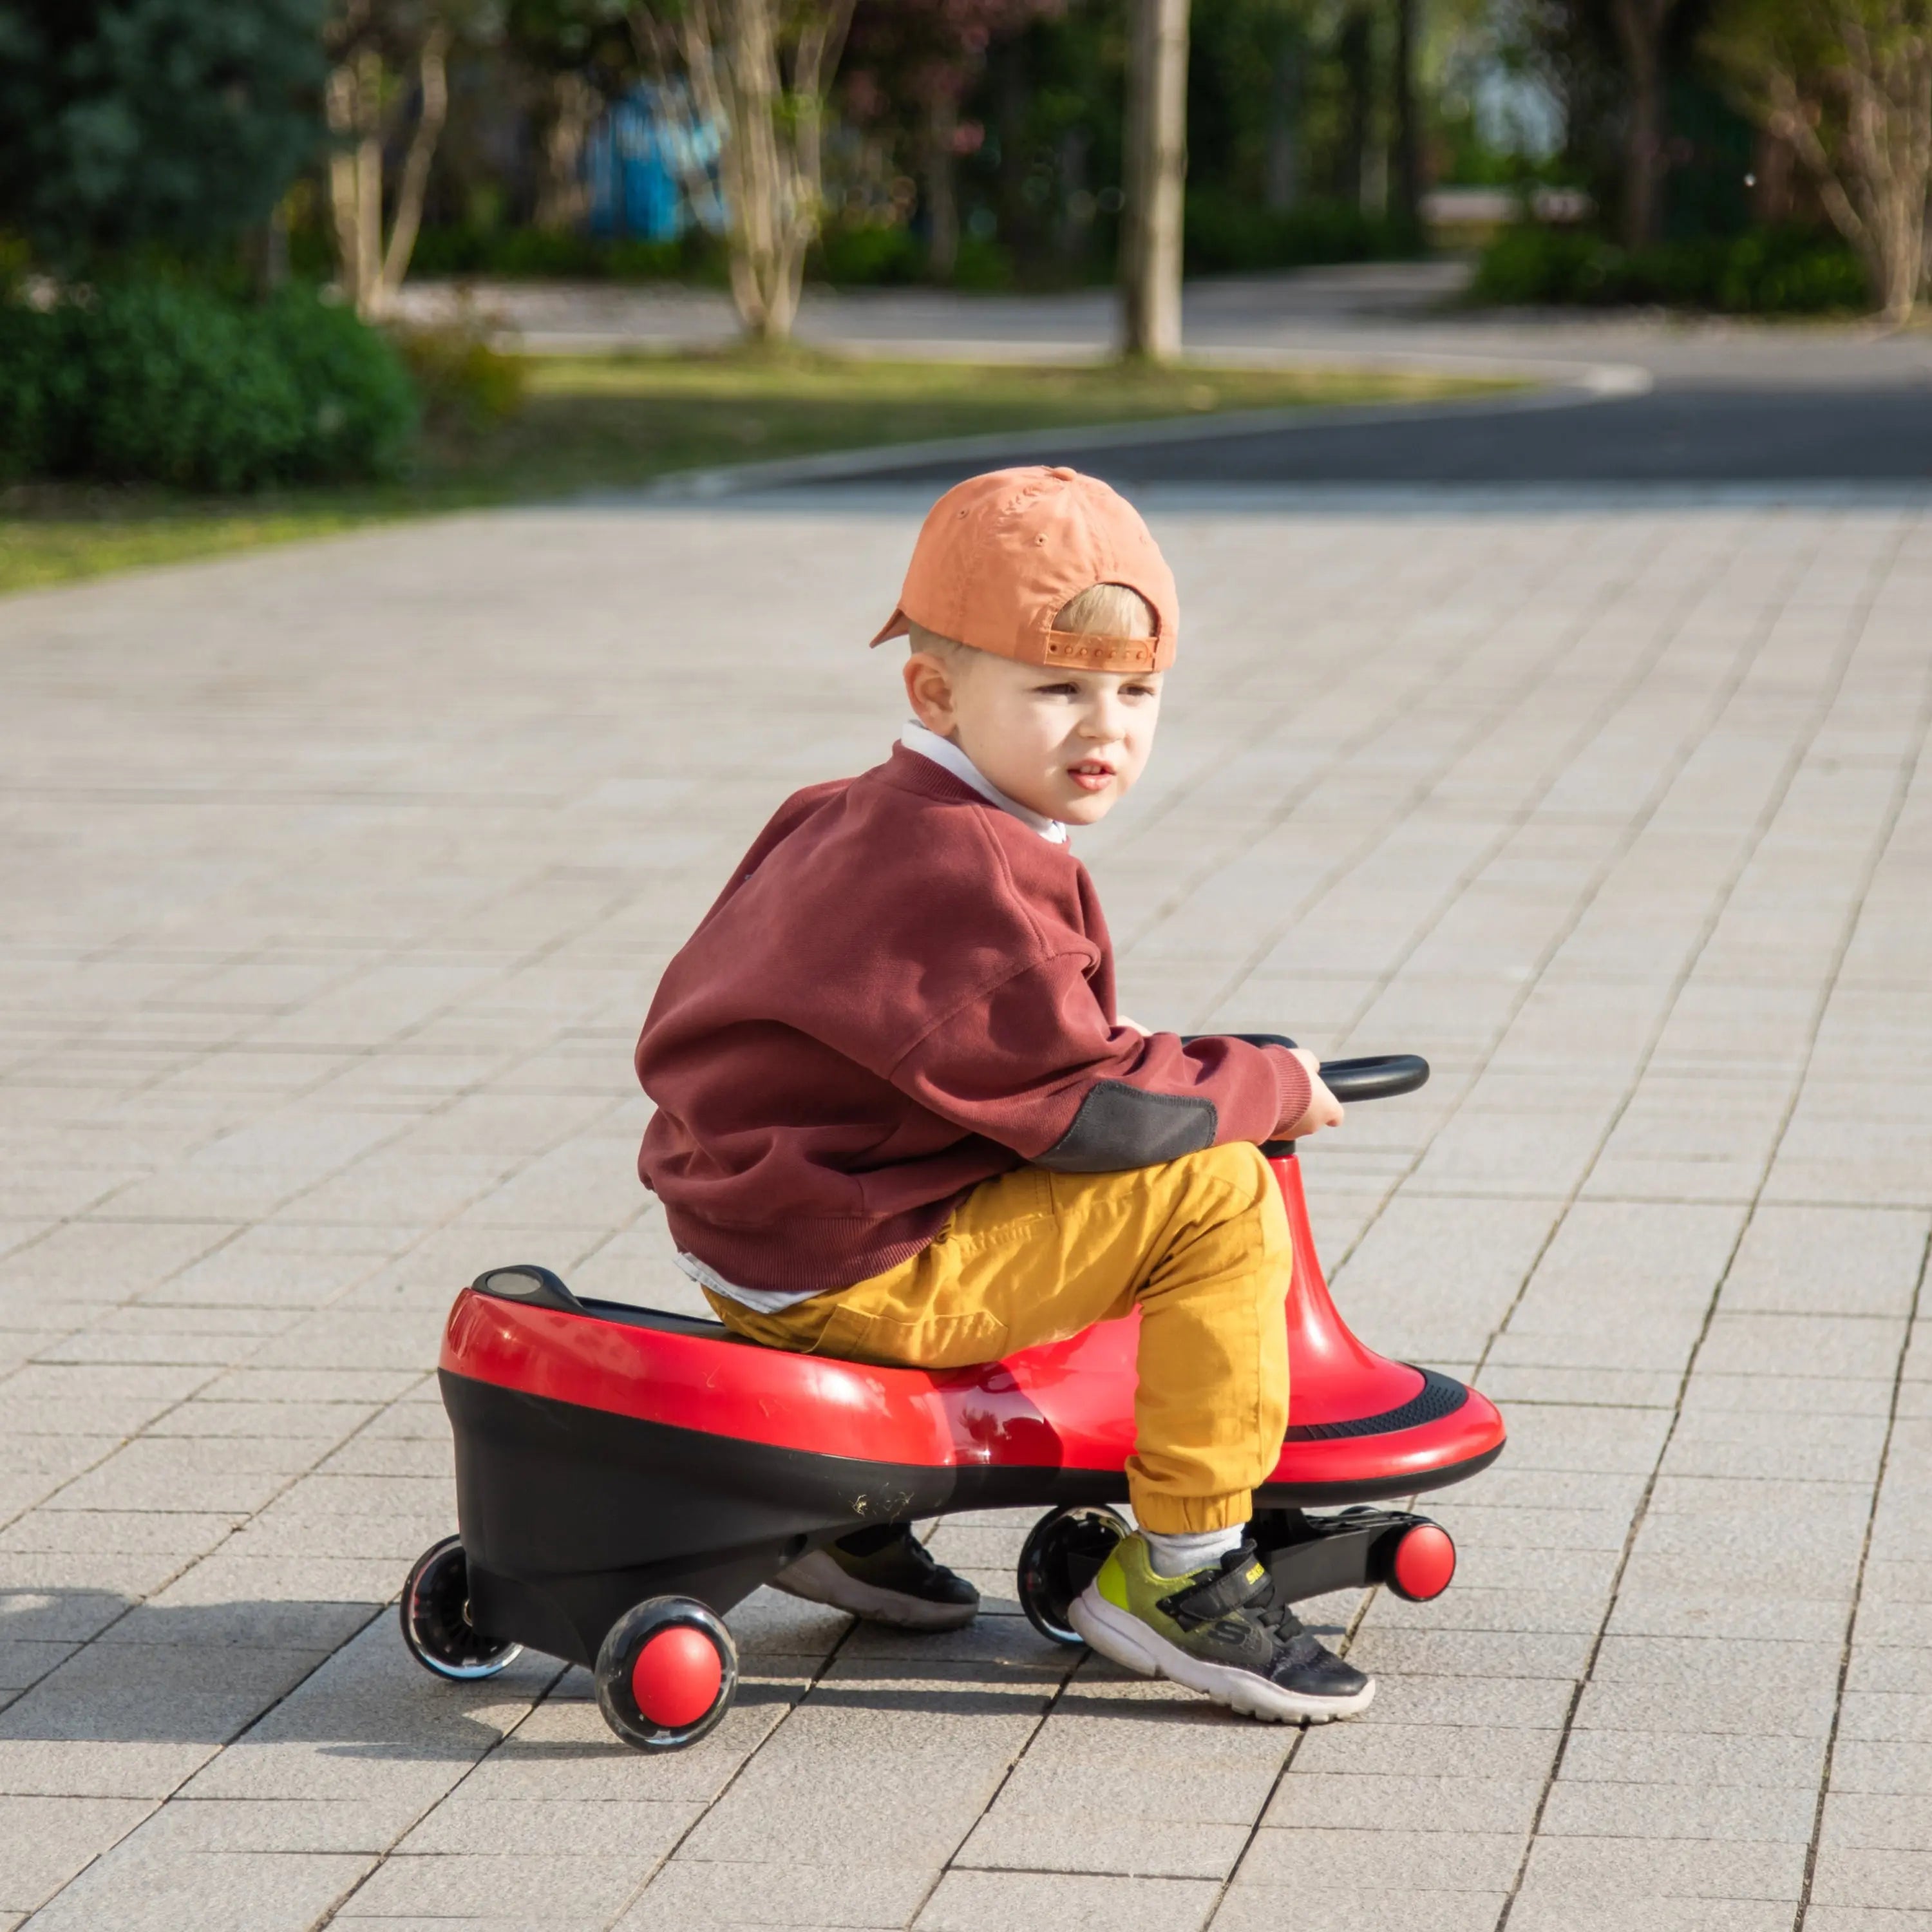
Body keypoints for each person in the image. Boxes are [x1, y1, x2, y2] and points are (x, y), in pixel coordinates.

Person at [634, 465, 1371, 1722]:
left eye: (1137, 692)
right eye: (1057, 690)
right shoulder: (976, 870)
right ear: (935, 690)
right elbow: (1094, 1116)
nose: (1105, 729)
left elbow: (944, 1034)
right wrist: (1268, 1084)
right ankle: (1183, 1572)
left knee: (1126, 1161)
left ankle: (836, 1509)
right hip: (865, 1263)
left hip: (761, 1229)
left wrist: (1115, 1040)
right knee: (1215, 1194)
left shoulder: (858, 816)